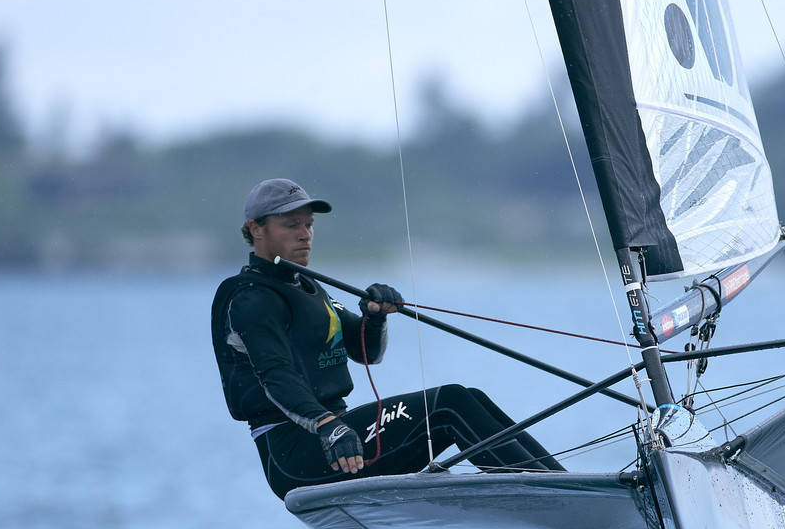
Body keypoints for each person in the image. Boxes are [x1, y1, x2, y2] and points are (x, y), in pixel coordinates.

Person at [211, 178, 563, 500]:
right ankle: (550, 497)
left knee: (472, 398)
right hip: (295, 455)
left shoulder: (304, 286)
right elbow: (275, 377)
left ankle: (563, 483)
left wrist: (374, 318)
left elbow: (365, 352)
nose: (305, 234)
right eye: (291, 225)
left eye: (309, 225)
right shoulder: (250, 298)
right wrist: (328, 426)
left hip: (337, 436)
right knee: (450, 403)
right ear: (255, 228)